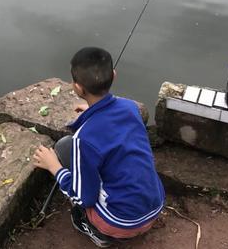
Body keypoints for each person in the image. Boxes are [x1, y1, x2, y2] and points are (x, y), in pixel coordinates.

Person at [33, 47, 165, 247]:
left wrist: (54, 167)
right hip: (154, 207)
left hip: (121, 223)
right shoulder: (130, 108)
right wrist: (93, 110)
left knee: (64, 149)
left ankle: (96, 231)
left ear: (77, 88)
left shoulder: (83, 138)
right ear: (113, 75)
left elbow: (84, 197)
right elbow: (114, 117)